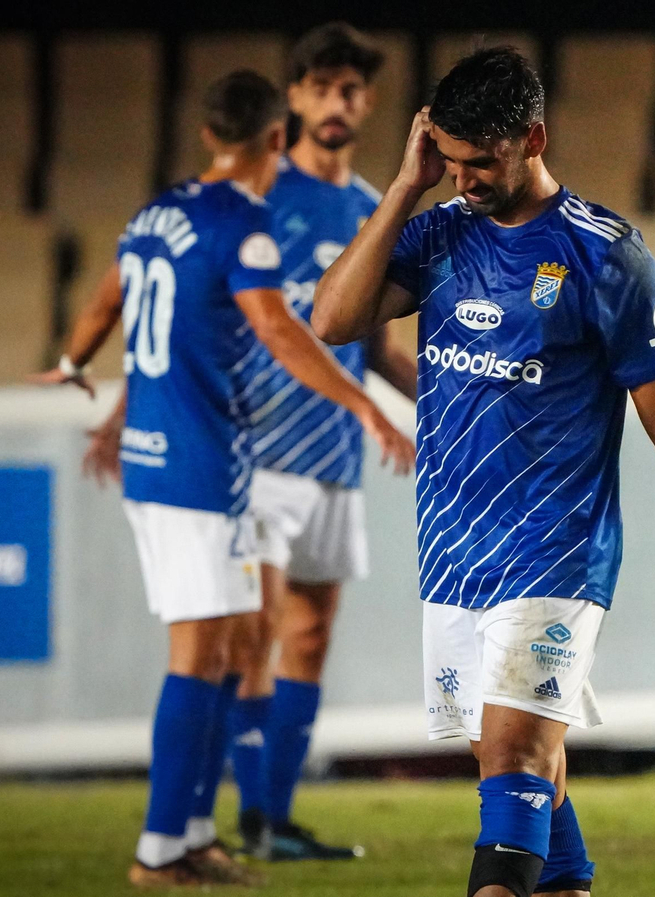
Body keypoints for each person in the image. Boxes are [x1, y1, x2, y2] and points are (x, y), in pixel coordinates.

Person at [309, 48, 655, 897]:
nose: (465, 179)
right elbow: (333, 317)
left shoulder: (605, 255)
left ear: (534, 137)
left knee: (516, 755)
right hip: (453, 546)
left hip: (555, 547)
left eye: (480, 161)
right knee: (506, 754)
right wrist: (405, 188)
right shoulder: (440, 230)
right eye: (449, 161)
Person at [34, 70, 413, 887]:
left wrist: (71, 362)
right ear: (276, 139)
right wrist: (365, 405)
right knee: (200, 652)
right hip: (198, 465)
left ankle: (198, 832)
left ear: (208, 135)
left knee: (231, 645)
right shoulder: (245, 222)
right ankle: (158, 847)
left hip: (168, 461)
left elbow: (107, 300)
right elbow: (279, 328)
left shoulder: (155, 214)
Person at [222, 22, 419, 861]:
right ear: (295, 95)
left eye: (352, 90)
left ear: (367, 103)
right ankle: (255, 822)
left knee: (309, 634)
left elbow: (376, 345)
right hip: (253, 452)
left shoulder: (373, 210)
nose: (337, 102)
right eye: (322, 87)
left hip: (335, 455)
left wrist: (444, 406)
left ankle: (279, 817)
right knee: (255, 629)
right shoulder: (260, 194)